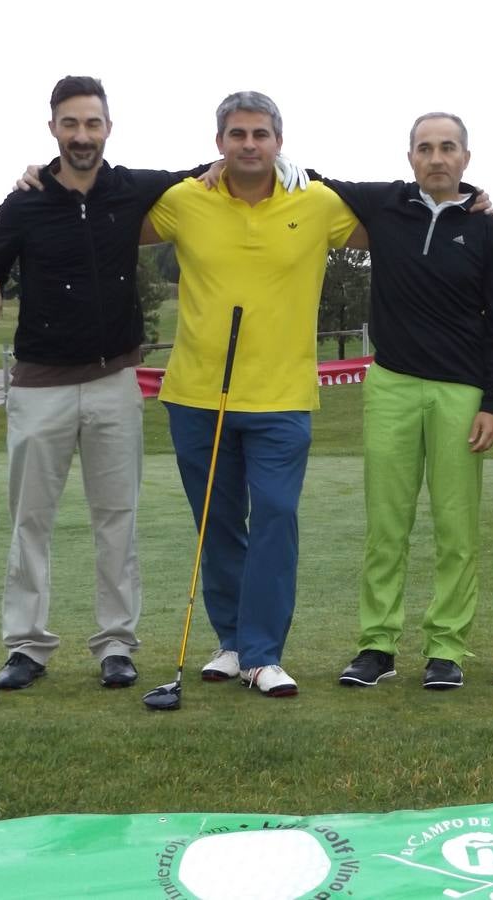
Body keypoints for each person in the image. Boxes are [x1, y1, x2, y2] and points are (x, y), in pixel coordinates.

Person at [0, 75, 208, 692]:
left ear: (108, 127)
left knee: (117, 519)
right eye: (70, 124)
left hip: (113, 382)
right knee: (31, 522)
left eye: (92, 124)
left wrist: (287, 165)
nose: (82, 136)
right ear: (53, 128)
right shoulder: (21, 202)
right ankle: (27, 645)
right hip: (40, 385)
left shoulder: (130, 189)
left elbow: (210, 168)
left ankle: (116, 645)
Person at [143, 91, 362, 698]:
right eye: (237, 134)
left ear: (278, 141)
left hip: (282, 396)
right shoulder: (185, 201)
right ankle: (232, 641)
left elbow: (394, 225)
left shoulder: (315, 203)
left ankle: (264, 653)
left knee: (274, 519)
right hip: (196, 394)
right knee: (217, 524)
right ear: (219, 143)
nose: (248, 144)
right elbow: (106, 215)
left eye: (260, 134)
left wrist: (465, 202)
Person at [325, 113, 493, 691]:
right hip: (391, 386)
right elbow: (313, 181)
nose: (437, 157)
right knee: (387, 523)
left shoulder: (489, 229)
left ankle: (446, 648)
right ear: (410, 156)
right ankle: (377, 644)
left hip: (461, 392)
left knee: (456, 527)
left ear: (466, 156)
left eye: (448, 148)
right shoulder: (387, 206)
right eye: (426, 148)